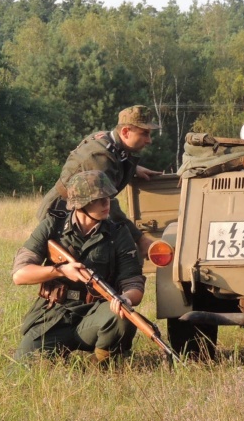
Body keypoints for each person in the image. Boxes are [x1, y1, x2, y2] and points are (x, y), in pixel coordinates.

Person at [13, 170, 145, 362]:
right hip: (55, 314)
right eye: (98, 199)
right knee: (22, 369)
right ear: (80, 204)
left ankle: (103, 365)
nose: (106, 203)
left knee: (122, 317)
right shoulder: (52, 225)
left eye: (108, 197)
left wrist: (125, 298)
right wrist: (60, 270)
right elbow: (19, 274)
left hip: (97, 311)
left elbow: (134, 283)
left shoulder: (119, 233)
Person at [36, 105, 162, 257]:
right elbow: (106, 204)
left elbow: (114, 158)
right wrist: (139, 238)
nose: (149, 140)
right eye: (145, 133)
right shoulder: (101, 156)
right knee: (71, 266)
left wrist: (133, 168)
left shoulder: (107, 140)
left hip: (81, 212)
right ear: (125, 132)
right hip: (63, 214)